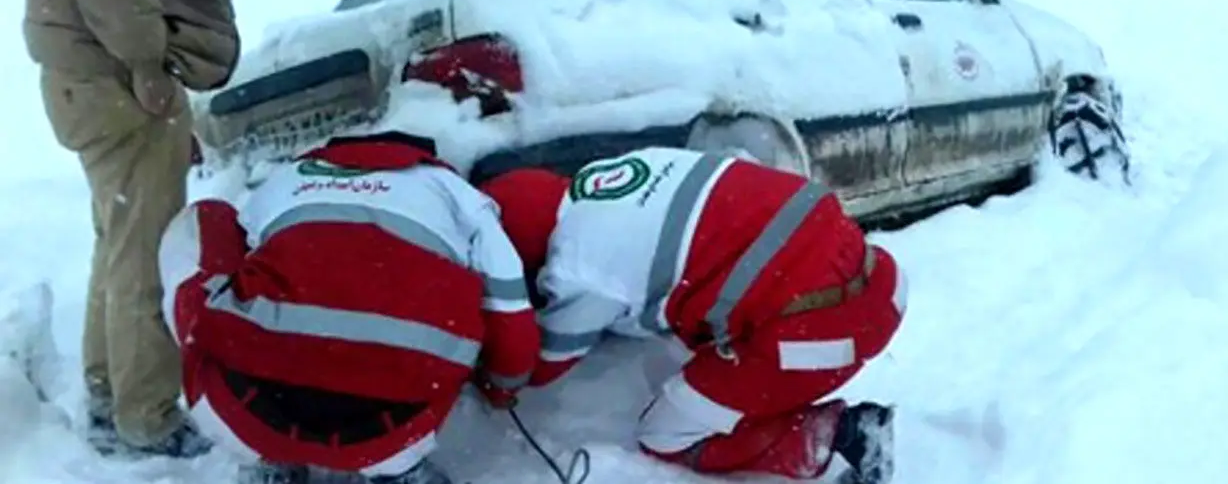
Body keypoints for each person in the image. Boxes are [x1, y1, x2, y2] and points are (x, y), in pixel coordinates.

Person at [9, 0, 252, 458]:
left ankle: (110, 395)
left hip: (98, 68)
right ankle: (147, 415)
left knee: (123, 234)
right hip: (115, 70)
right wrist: (149, 66)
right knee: (146, 245)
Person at [478, 147, 909, 484]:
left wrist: (492, 382)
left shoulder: (579, 264)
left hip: (822, 329)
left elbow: (542, 362)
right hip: (869, 271)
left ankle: (842, 433)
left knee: (665, 435)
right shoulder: (623, 170)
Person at [158, 131, 540, 484]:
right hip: (397, 422)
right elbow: (509, 309)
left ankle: (264, 459)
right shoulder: (458, 193)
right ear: (422, 159)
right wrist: (502, 386)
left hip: (250, 409)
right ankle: (399, 470)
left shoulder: (284, 181)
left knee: (208, 220)